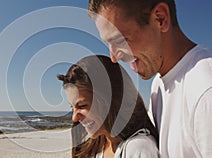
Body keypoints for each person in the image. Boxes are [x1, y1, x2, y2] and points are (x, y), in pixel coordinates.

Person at [88, 0, 212, 157]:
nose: (114, 57)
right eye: (108, 44)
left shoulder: (206, 89)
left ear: (161, 19)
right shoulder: (158, 85)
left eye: (120, 40)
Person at [58, 55, 159, 158]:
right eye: (72, 107)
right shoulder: (96, 146)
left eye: (82, 106)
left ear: (111, 100)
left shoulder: (138, 149)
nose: (74, 117)